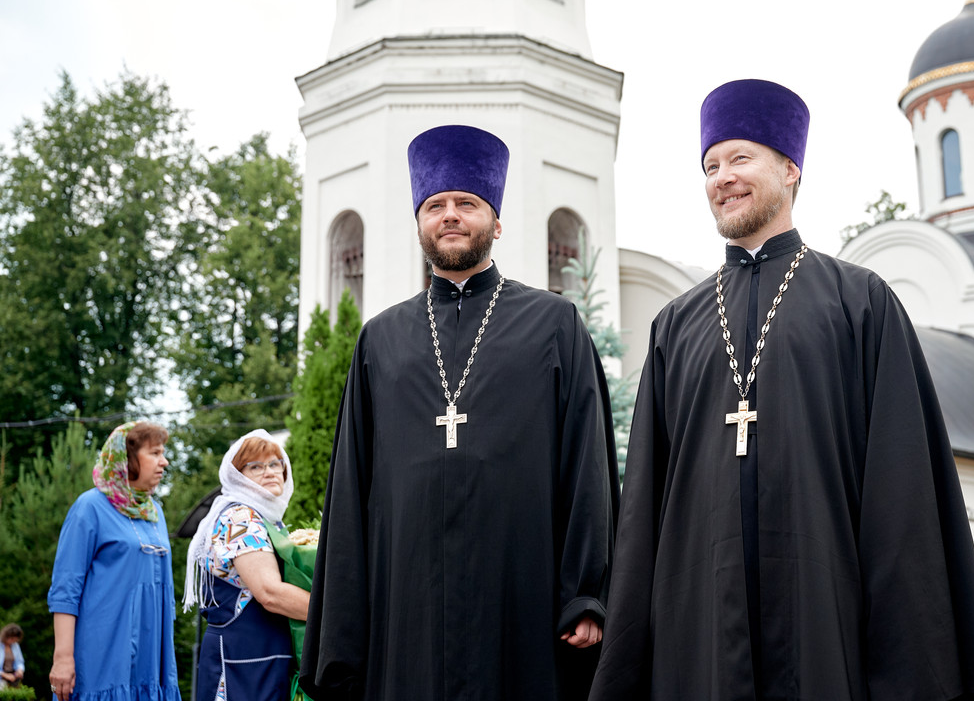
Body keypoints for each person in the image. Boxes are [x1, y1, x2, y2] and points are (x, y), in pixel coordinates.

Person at [588, 79, 974, 701]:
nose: (722, 177)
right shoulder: (675, 325)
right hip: (699, 633)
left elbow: (902, 495)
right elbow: (646, 506)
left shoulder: (858, 302)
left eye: (739, 158)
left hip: (825, 620)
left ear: (790, 169)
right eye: (710, 166)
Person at [300, 124, 620, 701]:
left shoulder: (554, 324)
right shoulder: (381, 338)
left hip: (520, 591)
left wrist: (586, 593)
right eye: (435, 206)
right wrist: (341, 629)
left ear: (495, 222)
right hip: (406, 602)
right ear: (419, 223)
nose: (450, 215)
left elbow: (587, 462)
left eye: (466, 204)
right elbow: (351, 487)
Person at [48, 421, 180, 701]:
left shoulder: (154, 511)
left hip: (151, 654)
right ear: (128, 458)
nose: (164, 461)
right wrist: (63, 657)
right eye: (155, 453)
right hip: (103, 653)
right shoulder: (89, 507)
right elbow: (66, 589)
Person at [183, 430, 309, 701]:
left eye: (276, 463)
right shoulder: (240, 517)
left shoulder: (266, 519)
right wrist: (337, 616)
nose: (270, 471)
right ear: (237, 476)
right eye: (256, 466)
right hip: (242, 663)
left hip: (263, 658)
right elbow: (270, 593)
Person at [0, 623, 25, 688]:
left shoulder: (15, 646)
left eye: (15, 640)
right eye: (11, 639)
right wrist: (5, 675)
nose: (13, 641)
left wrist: (20, 670)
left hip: (13, 677)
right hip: (2, 678)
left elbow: (20, 662)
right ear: (6, 636)